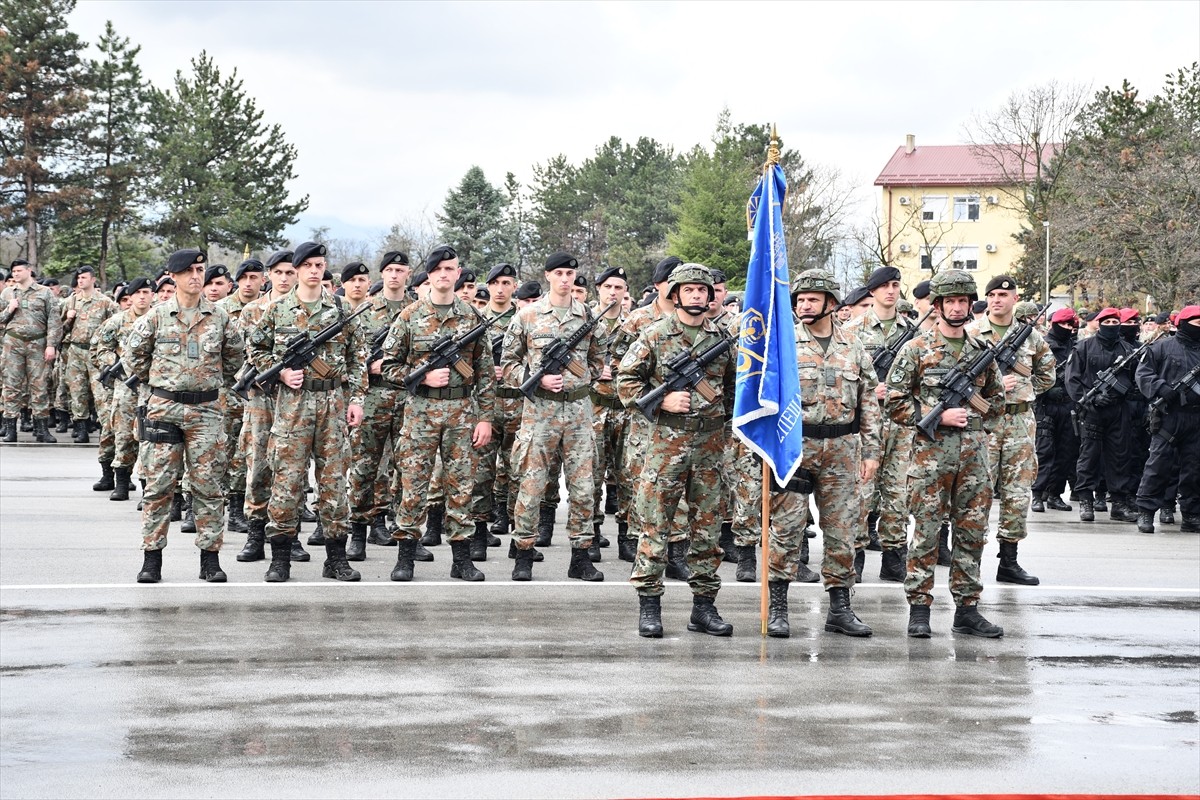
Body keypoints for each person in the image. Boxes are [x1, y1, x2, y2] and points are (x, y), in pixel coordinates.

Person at [615, 264, 736, 637]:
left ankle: (704, 608)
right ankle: (649, 607)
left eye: (703, 290)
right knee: (655, 527)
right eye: (690, 290)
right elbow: (625, 381)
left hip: (711, 447)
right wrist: (662, 401)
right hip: (666, 446)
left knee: (708, 531)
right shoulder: (654, 335)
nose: (697, 296)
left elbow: (735, 388)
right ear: (676, 295)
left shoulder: (725, 338)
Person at [884, 269, 1006, 638]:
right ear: (937, 306)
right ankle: (919, 609)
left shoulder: (982, 352)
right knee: (926, 533)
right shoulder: (916, 348)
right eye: (949, 301)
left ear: (970, 306)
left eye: (962, 302)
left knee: (971, 535)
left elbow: (998, 403)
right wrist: (933, 415)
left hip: (972, 457)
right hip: (929, 456)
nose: (956, 308)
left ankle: (967, 610)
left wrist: (973, 408)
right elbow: (894, 400)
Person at [247, 242, 368, 583]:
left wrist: (357, 399)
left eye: (320, 265)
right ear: (297, 269)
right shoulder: (277, 309)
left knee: (333, 483)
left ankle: (336, 559)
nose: (315, 270)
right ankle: (280, 558)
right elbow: (254, 348)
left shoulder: (341, 309)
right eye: (309, 265)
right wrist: (280, 371)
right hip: (292, 406)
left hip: (333, 403)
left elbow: (358, 356)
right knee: (286, 481)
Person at [771, 269, 881, 637]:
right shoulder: (783, 344)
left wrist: (871, 452)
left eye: (812, 299)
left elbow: (869, 401)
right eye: (800, 299)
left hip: (843, 450)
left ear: (831, 304)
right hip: (795, 447)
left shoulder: (853, 345)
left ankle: (839, 608)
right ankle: (778, 607)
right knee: (786, 529)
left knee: (842, 531)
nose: (804, 305)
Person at [125, 249, 245, 583]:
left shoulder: (219, 317)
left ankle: (210, 559)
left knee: (208, 486)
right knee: (160, 485)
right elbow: (133, 357)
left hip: (206, 410)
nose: (196, 276)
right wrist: (161, 383)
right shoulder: (156, 316)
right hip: (164, 408)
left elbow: (235, 359)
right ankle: (152, 560)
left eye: (200, 270)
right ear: (174, 276)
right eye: (189, 270)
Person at [380, 244, 494, 581]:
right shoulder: (410, 315)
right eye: (438, 269)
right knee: (413, 484)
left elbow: (485, 372)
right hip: (420, 412)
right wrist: (423, 376)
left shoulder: (473, 317)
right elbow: (388, 367)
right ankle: (405, 558)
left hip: (461, 411)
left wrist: (485, 417)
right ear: (429, 275)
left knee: (461, 485)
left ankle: (462, 560)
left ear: (458, 274)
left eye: (451, 269)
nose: (444, 275)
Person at [501, 252, 603, 582]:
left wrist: (579, 379)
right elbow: (508, 365)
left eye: (570, 274)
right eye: (558, 273)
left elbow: (598, 360)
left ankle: (581, 556)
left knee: (584, 488)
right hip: (539, 413)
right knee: (531, 487)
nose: (565, 279)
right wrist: (537, 377)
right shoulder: (528, 316)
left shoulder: (586, 316)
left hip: (578, 412)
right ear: (547, 276)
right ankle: (524, 553)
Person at [971, 275, 1055, 586]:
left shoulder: (1031, 337)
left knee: (1018, 493)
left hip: (1020, 421)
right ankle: (971, 560)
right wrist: (993, 388)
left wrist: (1022, 385)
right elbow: (957, 378)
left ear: (1014, 297)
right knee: (977, 492)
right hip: (985, 423)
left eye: (1003, 294)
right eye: (991, 294)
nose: (997, 300)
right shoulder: (973, 333)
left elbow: (1047, 375)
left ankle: (1009, 561)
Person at [846, 266, 915, 583]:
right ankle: (856, 557)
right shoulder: (852, 330)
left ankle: (893, 557)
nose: (891, 291)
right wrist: (869, 388)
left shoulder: (913, 332)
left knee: (897, 492)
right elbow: (839, 377)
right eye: (884, 286)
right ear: (871, 292)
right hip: (865, 424)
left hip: (902, 423)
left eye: (895, 285)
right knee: (861, 492)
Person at [233, 251, 299, 564]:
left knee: (292, 470)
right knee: (258, 467)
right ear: (268, 275)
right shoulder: (252, 311)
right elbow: (241, 356)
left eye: (290, 272)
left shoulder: (307, 310)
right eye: (278, 272)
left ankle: (290, 536)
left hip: (295, 402)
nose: (284, 278)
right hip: (260, 400)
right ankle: (255, 535)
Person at [346, 253, 410, 559]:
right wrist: (367, 370)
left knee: (410, 468)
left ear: (408, 273)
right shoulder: (364, 312)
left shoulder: (418, 310)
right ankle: (359, 529)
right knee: (365, 465)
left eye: (400, 270)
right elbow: (351, 357)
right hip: (374, 397)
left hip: (411, 397)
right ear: (382, 274)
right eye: (390, 270)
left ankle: (406, 530)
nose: (395, 275)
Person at [1064, 307, 1140, 523]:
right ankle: (1086, 500)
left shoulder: (1128, 350)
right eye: (1106, 322)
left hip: (1118, 410)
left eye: (1116, 323)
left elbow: (1137, 380)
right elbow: (1072, 379)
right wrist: (1090, 400)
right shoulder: (1084, 348)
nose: (1111, 326)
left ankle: (1118, 503)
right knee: (1089, 457)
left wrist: (1124, 392)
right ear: (1098, 323)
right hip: (1092, 411)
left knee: (1120, 458)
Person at [1134, 305, 1200, 533]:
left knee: (1194, 469)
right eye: (1197, 323)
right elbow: (1143, 374)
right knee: (1158, 465)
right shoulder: (1161, 347)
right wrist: (1161, 388)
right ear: (1183, 323)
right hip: (1170, 416)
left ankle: (1192, 514)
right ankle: (1145, 511)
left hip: (1196, 416)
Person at [91, 277, 155, 500]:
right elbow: (99, 349)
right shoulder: (117, 322)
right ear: (130, 297)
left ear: (152, 295)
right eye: (138, 293)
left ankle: (148, 485)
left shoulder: (160, 319)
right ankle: (121, 481)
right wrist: (117, 364)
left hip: (151, 387)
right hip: (126, 388)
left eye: (147, 292)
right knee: (124, 435)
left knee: (150, 437)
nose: (142, 297)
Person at [216, 258, 266, 535]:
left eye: (254, 278)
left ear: (262, 280)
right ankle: (194, 507)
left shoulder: (268, 308)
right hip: (224, 390)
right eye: (244, 278)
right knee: (217, 450)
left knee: (243, 454)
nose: (249, 283)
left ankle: (237, 510)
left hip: (255, 391)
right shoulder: (222, 310)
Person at [0, 259, 62, 443]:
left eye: (19, 270)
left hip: (38, 343)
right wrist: (9, 310)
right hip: (13, 343)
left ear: (29, 271)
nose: (16, 274)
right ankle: (11, 428)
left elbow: (54, 320)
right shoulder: (7, 293)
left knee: (40, 386)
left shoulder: (44, 293)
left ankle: (41, 429)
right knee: (11, 385)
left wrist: (51, 344)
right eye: (13, 271)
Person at [1031, 308, 1081, 512]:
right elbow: (1028, 375)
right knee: (1044, 451)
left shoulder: (1076, 348)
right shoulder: (1041, 345)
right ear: (1055, 324)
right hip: (1046, 407)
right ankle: (1037, 494)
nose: (1068, 329)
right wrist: (1045, 391)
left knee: (1065, 452)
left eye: (1071, 325)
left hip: (1068, 405)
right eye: (1065, 324)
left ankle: (1055, 494)